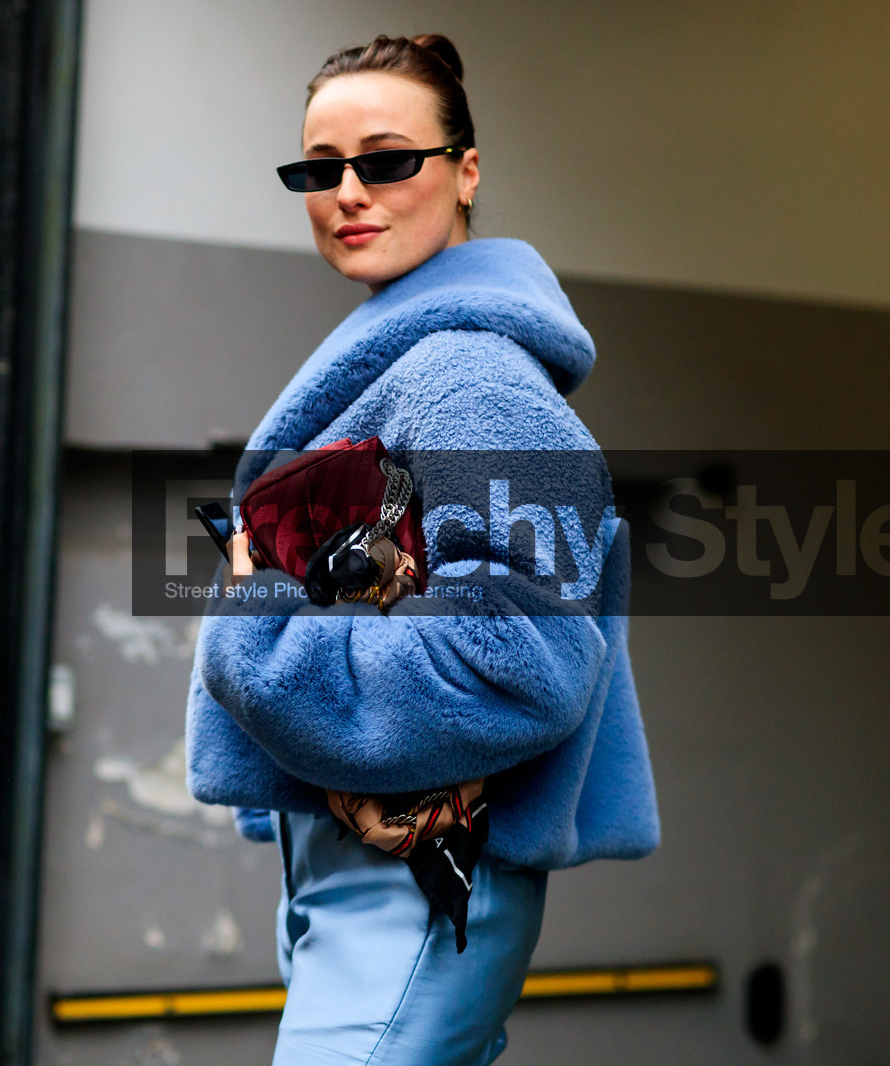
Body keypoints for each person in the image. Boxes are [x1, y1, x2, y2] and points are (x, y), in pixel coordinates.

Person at [184, 34, 661, 1065]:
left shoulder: (470, 377)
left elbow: (520, 664)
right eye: (320, 168)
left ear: (465, 171)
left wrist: (256, 638)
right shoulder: (401, 361)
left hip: (419, 876)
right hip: (356, 865)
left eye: (388, 159)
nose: (348, 190)